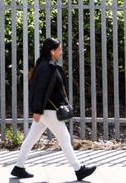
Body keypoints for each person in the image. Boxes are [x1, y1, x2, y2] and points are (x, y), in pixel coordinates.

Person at [11, 37, 96, 181]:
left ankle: (19, 167)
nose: (61, 52)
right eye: (59, 50)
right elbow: (40, 90)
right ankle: (78, 169)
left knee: (32, 137)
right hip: (48, 110)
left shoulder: (48, 64)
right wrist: (37, 110)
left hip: (46, 110)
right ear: (52, 51)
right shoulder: (46, 67)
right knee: (65, 138)